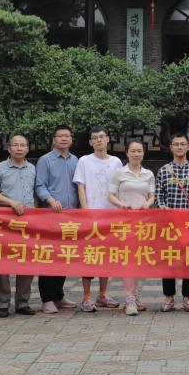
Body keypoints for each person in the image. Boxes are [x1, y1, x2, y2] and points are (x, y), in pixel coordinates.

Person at [0, 133, 37, 318]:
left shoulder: (32, 168)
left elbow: (35, 194)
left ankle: (23, 302)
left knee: (27, 261)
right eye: (15, 145)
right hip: (6, 222)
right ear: (9, 148)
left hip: (28, 222)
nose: (19, 148)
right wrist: (11, 203)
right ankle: (2, 304)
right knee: (3, 264)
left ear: (27, 149)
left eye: (23, 145)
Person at [74, 126, 123, 312]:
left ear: (108, 139)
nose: (99, 140)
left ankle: (103, 294)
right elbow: (81, 187)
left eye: (102, 137)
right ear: (90, 142)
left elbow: (119, 187)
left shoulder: (116, 162)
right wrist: (85, 211)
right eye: (95, 138)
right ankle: (86, 297)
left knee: (106, 256)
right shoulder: (84, 161)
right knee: (88, 256)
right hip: (91, 215)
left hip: (111, 216)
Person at [155, 131, 189, 312]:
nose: (179, 147)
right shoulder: (163, 170)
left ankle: (187, 297)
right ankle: (169, 297)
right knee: (169, 260)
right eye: (176, 144)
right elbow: (158, 195)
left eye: (182, 144)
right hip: (169, 225)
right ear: (171, 147)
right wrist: (162, 207)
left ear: (188, 147)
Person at [108, 139, 155, 316]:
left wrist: (148, 204)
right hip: (124, 222)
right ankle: (129, 300)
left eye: (139, 151)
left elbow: (151, 196)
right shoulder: (119, 173)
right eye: (133, 151)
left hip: (143, 223)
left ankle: (135, 296)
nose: (136, 154)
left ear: (143, 153)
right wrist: (121, 204)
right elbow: (110, 195)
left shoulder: (149, 174)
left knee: (140, 259)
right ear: (127, 153)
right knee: (128, 260)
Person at [35, 126, 79, 314]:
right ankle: (47, 299)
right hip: (51, 215)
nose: (63, 139)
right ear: (54, 139)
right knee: (49, 256)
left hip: (71, 216)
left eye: (67, 136)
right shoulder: (45, 160)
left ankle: (58, 295)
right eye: (60, 136)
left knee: (64, 256)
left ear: (71, 139)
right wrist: (51, 200)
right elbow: (40, 185)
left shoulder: (76, 160)